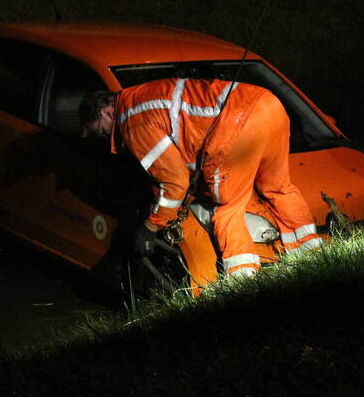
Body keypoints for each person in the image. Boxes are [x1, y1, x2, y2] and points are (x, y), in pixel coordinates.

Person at [80, 78, 321, 277]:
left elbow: (175, 182)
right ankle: (313, 256)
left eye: (100, 131)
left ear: (106, 112)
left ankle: (243, 278)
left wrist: (151, 226)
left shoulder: (132, 122)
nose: (104, 138)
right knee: (278, 187)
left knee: (226, 204)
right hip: (268, 105)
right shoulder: (141, 95)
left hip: (238, 120)